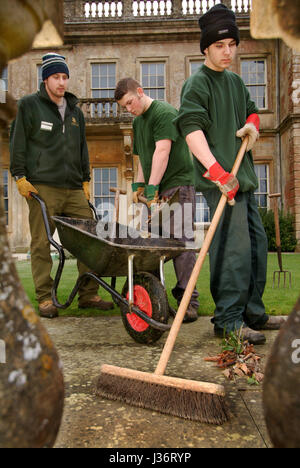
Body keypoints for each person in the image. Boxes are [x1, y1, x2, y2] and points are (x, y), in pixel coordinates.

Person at [175, 4, 286, 343]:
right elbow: (192, 132)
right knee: (233, 249)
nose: (227, 52)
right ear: (206, 47)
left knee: (255, 246)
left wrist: (252, 127)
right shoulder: (197, 85)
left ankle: (253, 312)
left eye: (232, 45)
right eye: (219, 45)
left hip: (245, 180)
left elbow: (253, 114)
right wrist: (218, 172)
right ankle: (227, 319)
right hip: (221, 182)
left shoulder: (237, 83)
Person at [10, 52, 113, 318]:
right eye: (56, 77)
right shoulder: (29, 106)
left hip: (74, 189)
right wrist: (20, 176)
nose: (61, 82)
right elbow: (18, 142)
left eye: (65, 77)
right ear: (45, 79)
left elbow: (82, 149)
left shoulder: (76, 112)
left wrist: (86, 179)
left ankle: (88, 294)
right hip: (42, 187)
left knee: (90, 239)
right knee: (41, 243)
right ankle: (45, 298)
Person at [114, 78, 199, 322]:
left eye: (130, 102)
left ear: (140, 92)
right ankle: (154, 297)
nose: (129, 109)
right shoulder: (139, 121)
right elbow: (145, 160)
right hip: (158, 189)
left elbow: (163, 152)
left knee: (181, 244)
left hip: (177, 185)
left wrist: (151, 188)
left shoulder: (164, 112)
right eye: (124, 107)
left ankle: (189, 303)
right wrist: (140, 185)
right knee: (152, 244)